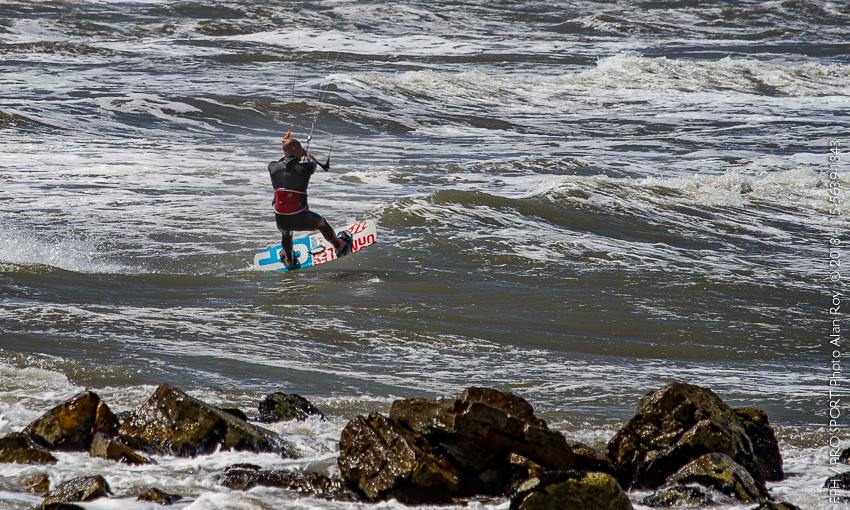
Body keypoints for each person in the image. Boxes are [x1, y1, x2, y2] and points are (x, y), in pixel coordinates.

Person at [268, 131, 352, 270]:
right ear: (296, 150)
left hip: (280, 219)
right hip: (299, 217)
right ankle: (340, 246)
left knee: (286, 233)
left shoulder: (272, 167)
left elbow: (283, 163)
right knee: (321, 223)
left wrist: (291, 149)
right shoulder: (306, 168)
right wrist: (307, 155)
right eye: (300, 148)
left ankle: (289, 260)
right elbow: (311, 164)